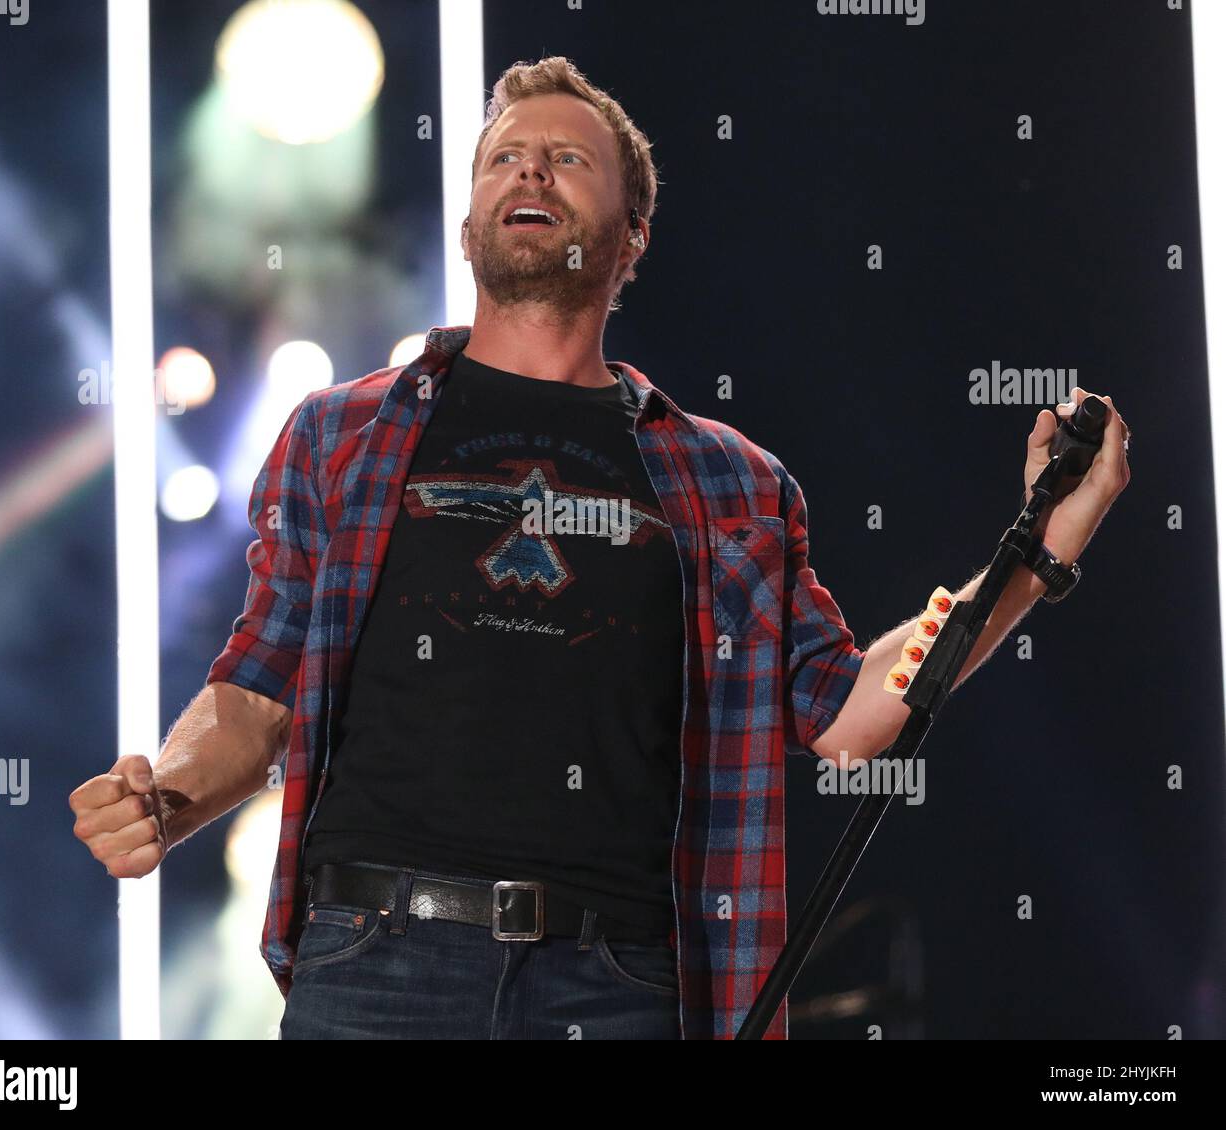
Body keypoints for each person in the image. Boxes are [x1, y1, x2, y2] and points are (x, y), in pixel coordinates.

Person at [69, 56, 1130, 1040]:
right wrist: (168, 791)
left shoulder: (730, 481)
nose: (527, 167)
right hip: (377, 965)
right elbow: (259, 686)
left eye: (567, 157)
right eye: (502, 157)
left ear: (630, 236)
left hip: (615, 983)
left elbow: (848, 714)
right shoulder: (338, 433)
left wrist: (1031, 552)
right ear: (471, 217)